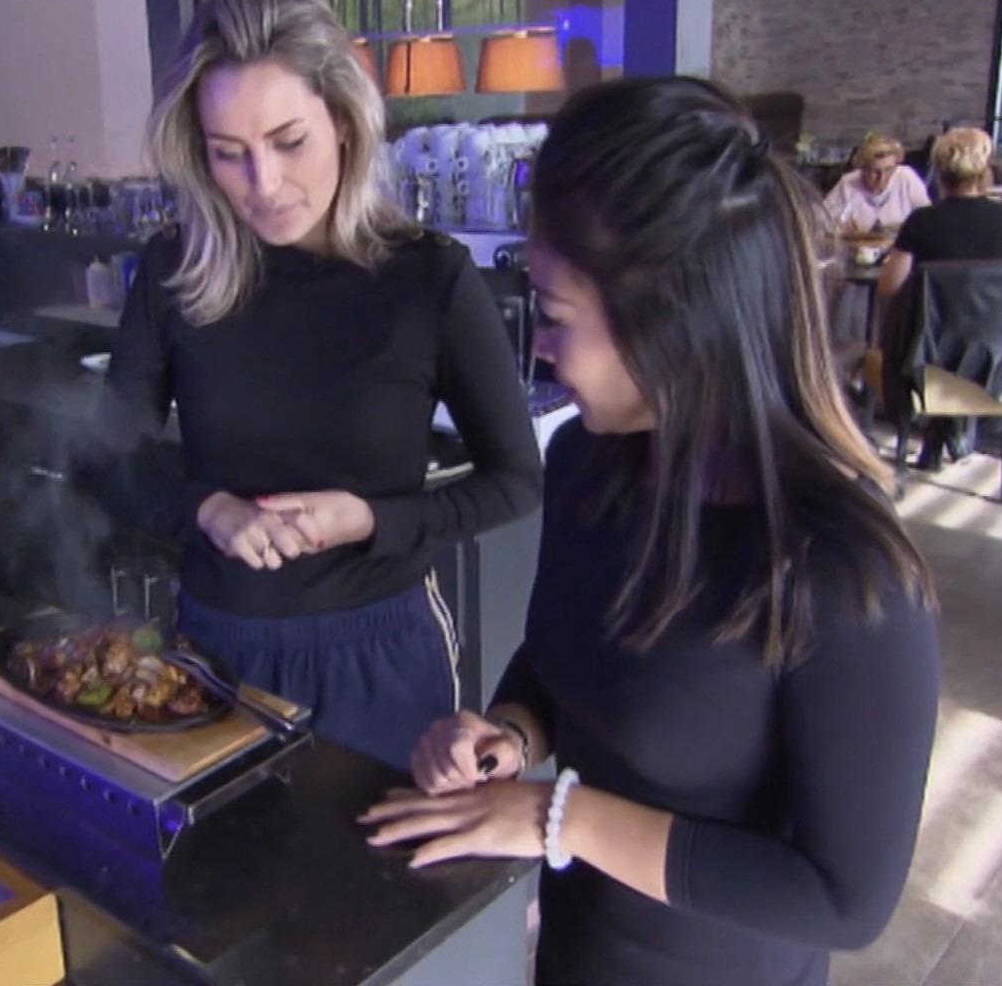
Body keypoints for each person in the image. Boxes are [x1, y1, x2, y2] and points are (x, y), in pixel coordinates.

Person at [359, 77, 941, 986]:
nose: (539, 348)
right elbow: (562, 661)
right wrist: (508, 735)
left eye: (555, 317)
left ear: (671, 321)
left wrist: (558, 818)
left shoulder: (842, 570)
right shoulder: (590, 462)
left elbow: (845, 898)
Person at [94, 0, 543, 769]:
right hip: (215, 654)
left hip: (381, 658)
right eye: (228, 154)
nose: (263, 185)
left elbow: (517, 479)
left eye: (288, 141)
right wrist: (209, 511)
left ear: (342, 119)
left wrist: (372, 521)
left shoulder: (426, 277)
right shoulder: (173, 271)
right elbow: (107, 461)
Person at [878, 126, 1002, 304]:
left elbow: (889, 289)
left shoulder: (921, 221)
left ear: (940, 174)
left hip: (933, 321)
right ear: (985, 171)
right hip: (997, 321)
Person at [822, 132, 929, 233]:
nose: (882, 178)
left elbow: (927, 219)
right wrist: (840, 223)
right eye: (875, 171)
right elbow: (821, 218)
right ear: (863, 168)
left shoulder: (906, 178)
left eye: (888, 170)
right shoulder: (848, 183)